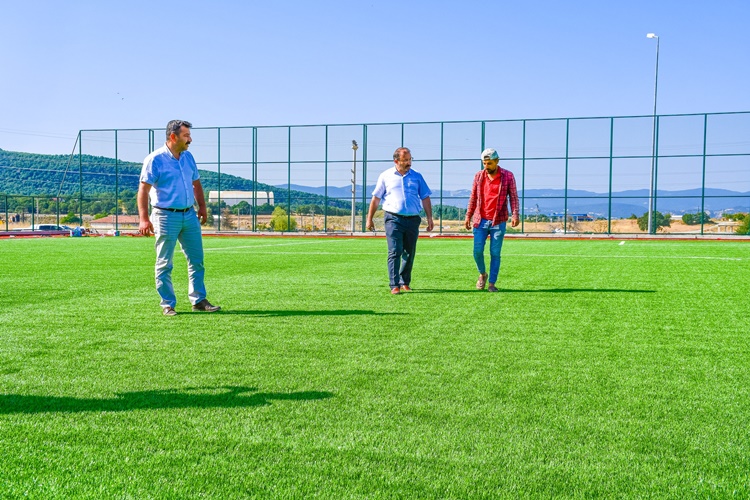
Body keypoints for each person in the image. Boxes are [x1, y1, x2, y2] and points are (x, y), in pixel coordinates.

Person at [138, 120, 221, 316]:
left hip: (189, 215)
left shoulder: (188, 157)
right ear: (173, 137)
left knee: (197, 260)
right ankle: (167, 304)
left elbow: (196, 183)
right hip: (165, 216)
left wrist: (202, 206)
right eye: (186, 136)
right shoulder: (154, 159)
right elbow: (143, 189)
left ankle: (198, 300)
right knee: (165, 262)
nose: (190, 139)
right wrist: (143, 219)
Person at [366, 147, 434, 295]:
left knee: (409, 252)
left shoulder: (417, 176)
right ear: (396, 161)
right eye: (405, 160)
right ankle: (394, 284)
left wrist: (429, 218)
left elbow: (425, 197)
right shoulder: (385, 176)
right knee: (395, 251)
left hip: (413, 220)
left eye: (410, 159)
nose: (409, 162)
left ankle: (405, 282)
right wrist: (369, 219)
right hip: (393, 219)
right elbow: (376, 198)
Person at [464, 148, 520, 292]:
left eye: (489, 163)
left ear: (497, 161)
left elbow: (513, 197)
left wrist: (515, 214)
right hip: (480, 220)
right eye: (484, 163)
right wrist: (468, 216)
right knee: (477, 251)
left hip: (498, 221)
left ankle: (492, 283)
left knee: (495, 253)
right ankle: (482, 274)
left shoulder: (508, 176)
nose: (486, 167)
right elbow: (473, 197)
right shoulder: (478, 176)